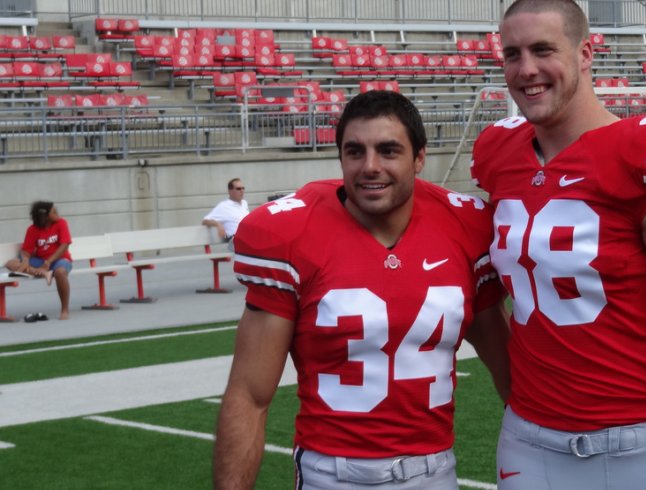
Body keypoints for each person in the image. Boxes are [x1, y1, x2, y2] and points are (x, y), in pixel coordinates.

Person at [469, 1, 646, 489]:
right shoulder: (499, 152)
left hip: (641, 443)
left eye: (542, 50)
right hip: (527, 440)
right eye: (512, 54)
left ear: (585, 53)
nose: (526, 69)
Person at [213, 90, 510, 490]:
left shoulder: (466, 227)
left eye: (388, 151)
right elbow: (249, 396)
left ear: (419, 158)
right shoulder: (293, 234)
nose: (370, 167)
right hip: (332, 475)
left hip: (434, 471)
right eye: (355, 152)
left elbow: (510, 369)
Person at [3, 201, 73, 320]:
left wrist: (48, 262)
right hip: (40, 262)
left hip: (60, 260)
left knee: (60, 272)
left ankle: (64, 310)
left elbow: (64, 245)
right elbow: (26, 251)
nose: (57, 212)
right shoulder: (32, 229)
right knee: (10, 263)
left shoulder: (61, 223)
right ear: (44, 216)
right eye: (53, 211)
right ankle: (45, 273)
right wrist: (25, 260)